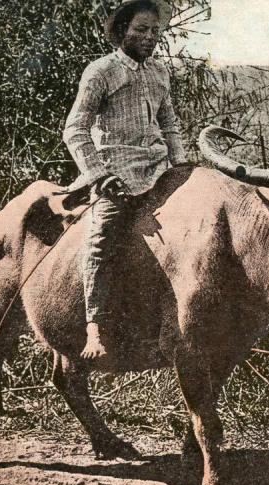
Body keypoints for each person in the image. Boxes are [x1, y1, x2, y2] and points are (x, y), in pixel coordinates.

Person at [62, 0, 187, 359]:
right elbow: (75, 129)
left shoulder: (160, 72)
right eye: (140, 30)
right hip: (117, 173)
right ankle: (95, 327)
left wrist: (179, 164)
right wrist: (98, 175)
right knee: (102, 237)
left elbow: (170, 124)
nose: (149, 38)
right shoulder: (101, 71)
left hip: (160, 169)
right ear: (122, 32)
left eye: (154, 32)